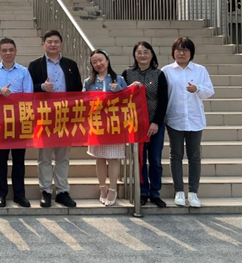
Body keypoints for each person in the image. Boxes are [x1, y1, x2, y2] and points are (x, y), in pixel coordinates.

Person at [28, 29, 81, 208]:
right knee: (44, 156)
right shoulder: (35, 65)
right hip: (44, 117)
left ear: (61, 44)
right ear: (43, 44)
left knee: (63, 156)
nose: (53, 44)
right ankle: (45, 191)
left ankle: (62, 191)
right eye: (49, 42)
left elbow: (78, 90)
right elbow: (28, 89)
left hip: (65, 116)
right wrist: (42, 87)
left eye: (56, 42)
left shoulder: (71, 65)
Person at [162, 37, 214, 208]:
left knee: (194, 156)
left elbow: (209, 91)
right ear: (173, 52)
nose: (181, 53)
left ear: (191, 53)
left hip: (194, 118)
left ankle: (193, 193)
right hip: (174, 118)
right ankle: (179, 191)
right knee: (176, 155)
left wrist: (197, 89)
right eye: (178, 49)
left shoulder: (200, 70)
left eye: (185, 50)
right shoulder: (167, 71)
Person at [121, 41, 168, 208]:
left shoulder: (159, 74)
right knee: (140, 160)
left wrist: (156, 122)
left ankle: (155, 193)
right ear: (134, 55)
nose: (142, 55)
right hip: (136, 125)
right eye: (139, 52)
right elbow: (121, 97)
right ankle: (142, 192)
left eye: (146, 52)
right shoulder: (127, 74)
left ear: (152, 54)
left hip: (155, 125)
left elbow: (163, 100)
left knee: (155, 160)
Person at [0, 37, 33, 208]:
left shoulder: (23, 71)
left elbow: (28, 95)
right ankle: (1, 194)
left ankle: (19, 195)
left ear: (16, 52)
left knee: (19, 160)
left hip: (19, 121)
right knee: (0, 160)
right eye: (4, 50)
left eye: (11, 50)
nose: (8, 53)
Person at [83, 49, 128, 206]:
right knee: (100, 157)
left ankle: (113, 189)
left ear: (107, 60)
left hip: (115, 125)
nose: (98, 64)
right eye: (94, 62)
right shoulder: (88, 82)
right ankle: (103, 187)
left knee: (113, 157)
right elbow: (83, 102)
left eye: (101, 60)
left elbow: (129, 100)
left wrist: (120, 91)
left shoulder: (119, 79)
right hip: (96, 125)